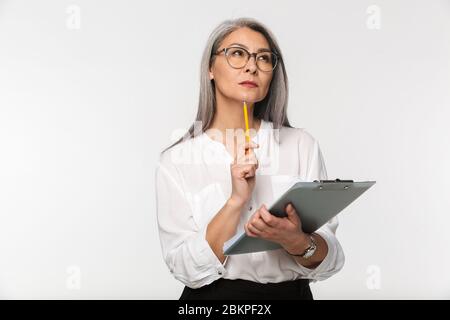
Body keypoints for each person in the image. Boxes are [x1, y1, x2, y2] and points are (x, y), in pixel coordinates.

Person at [155, 17, 345, 300]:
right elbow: (184, 269)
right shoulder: (177, 161)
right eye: (237, 53)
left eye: (263, 58)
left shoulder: (301, 145)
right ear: (210, 68)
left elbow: (331, 259)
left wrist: (297, 242)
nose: (251, 66)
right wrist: (236, 201)